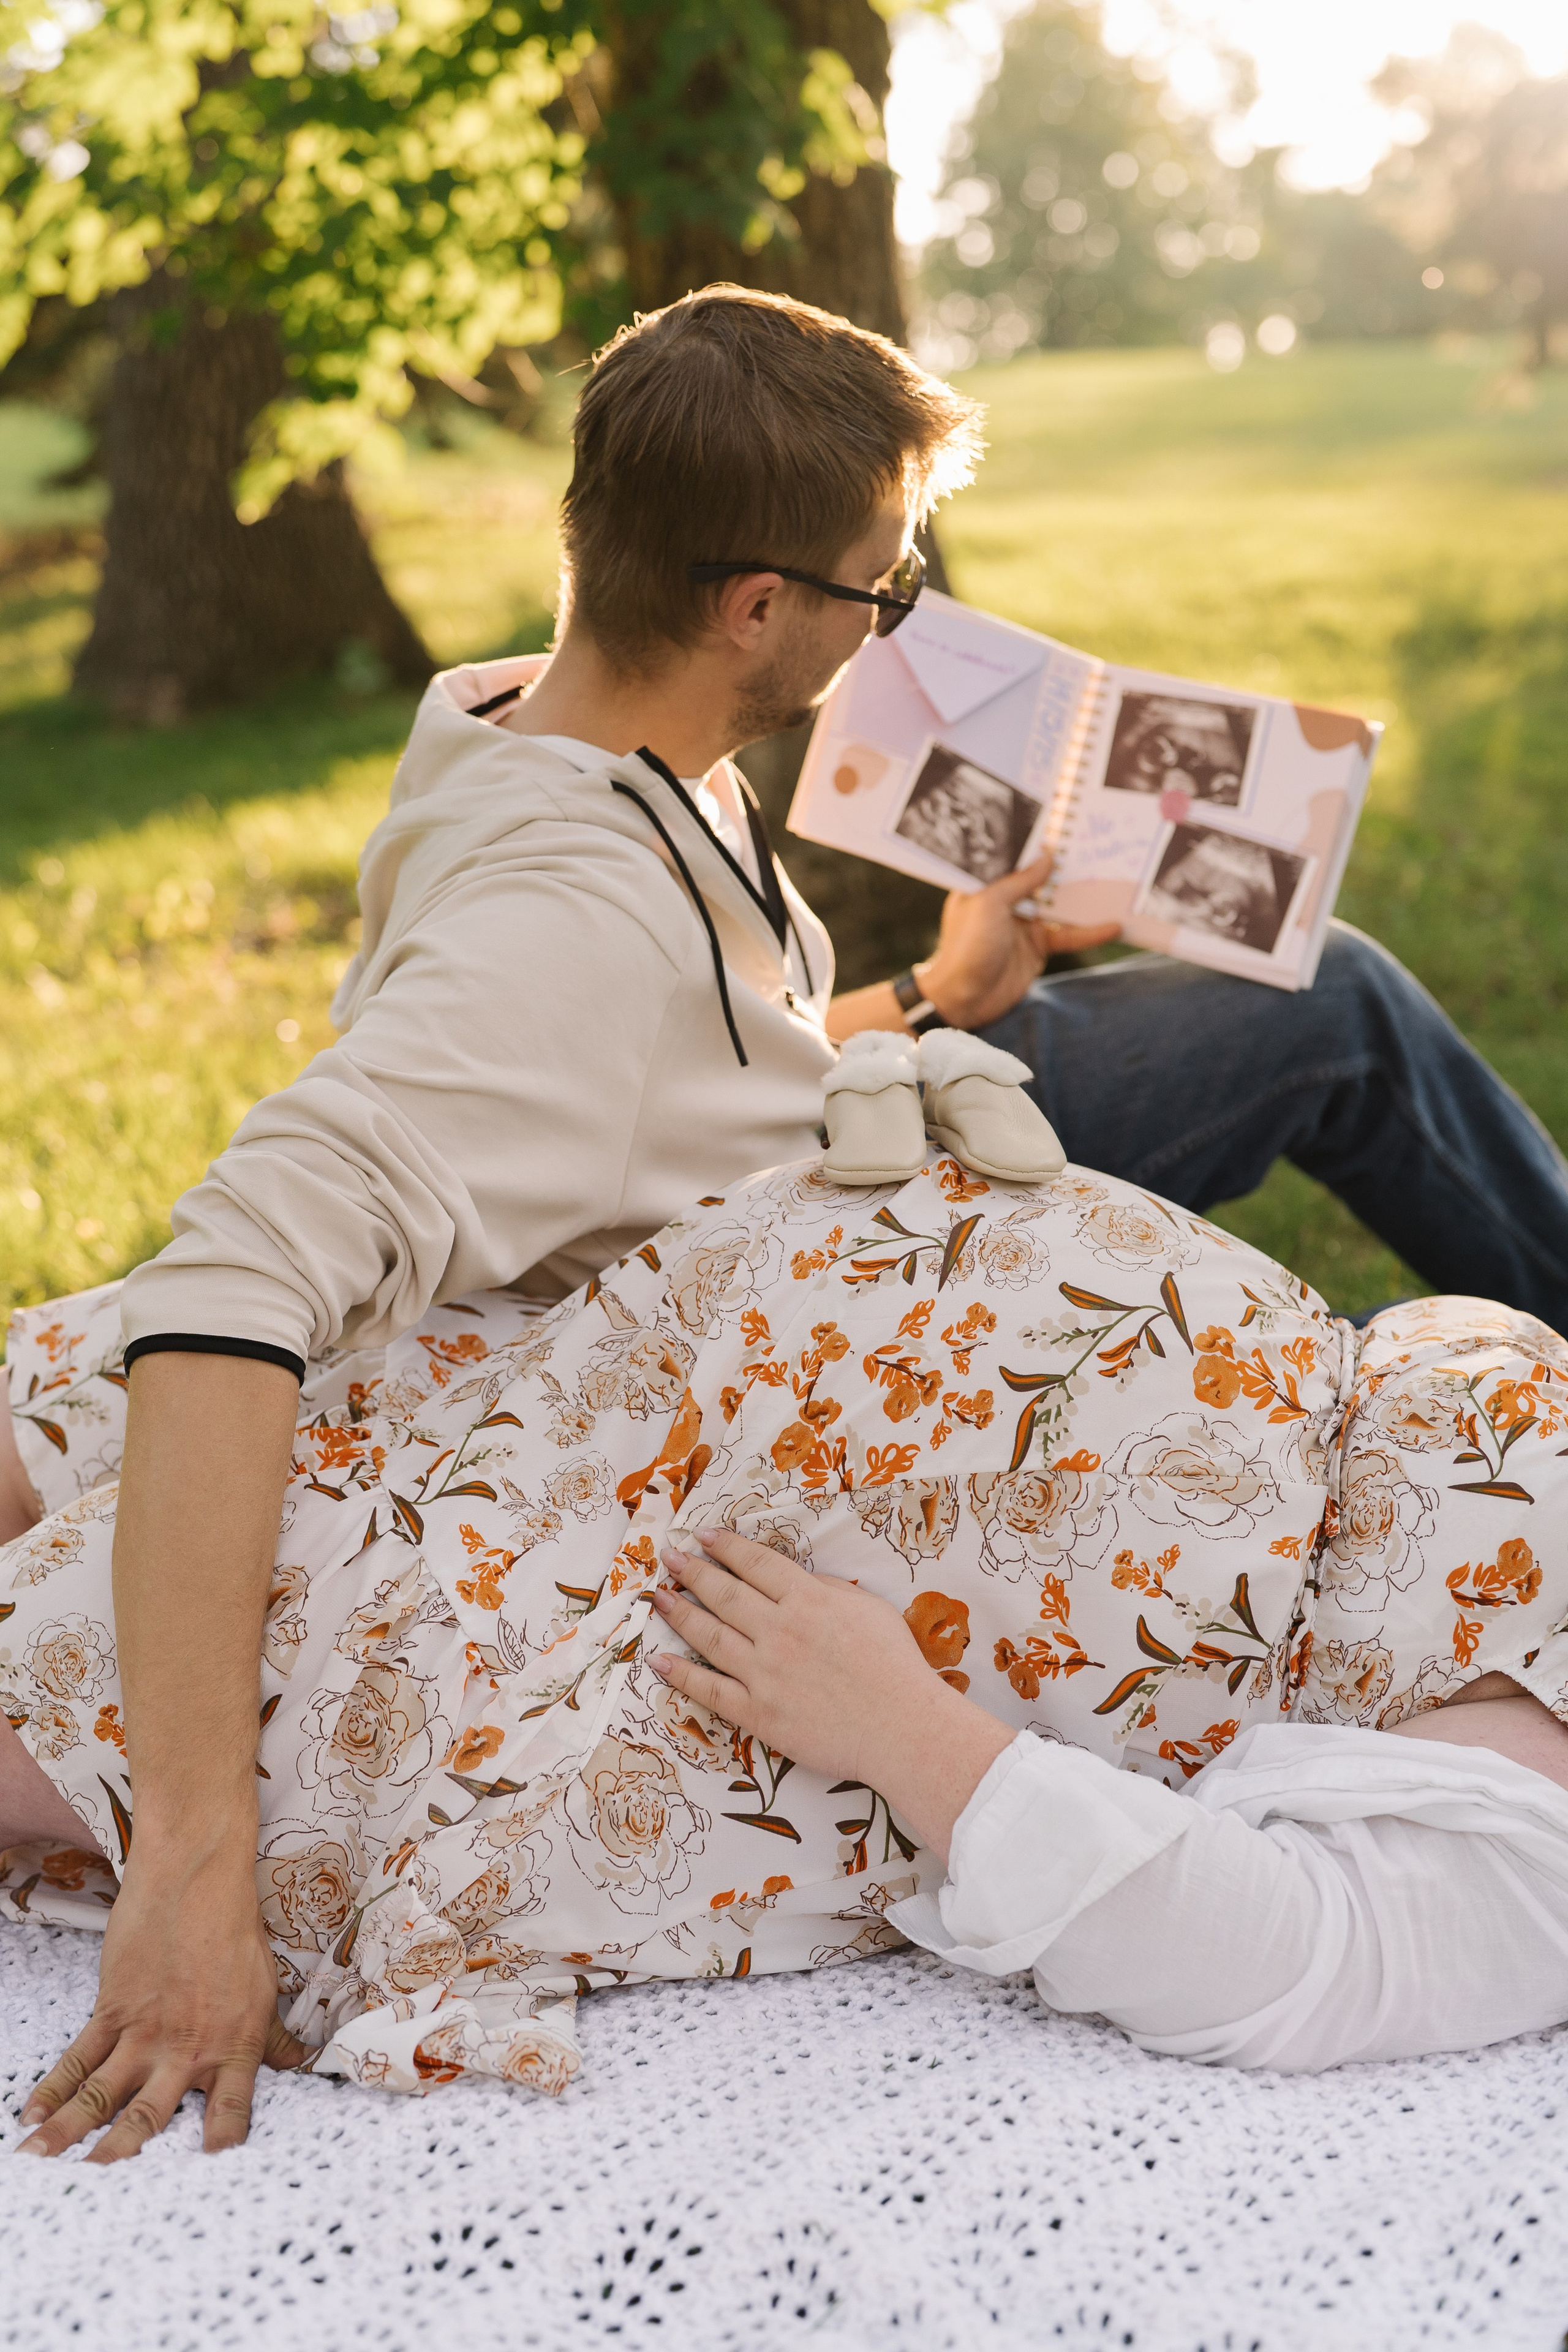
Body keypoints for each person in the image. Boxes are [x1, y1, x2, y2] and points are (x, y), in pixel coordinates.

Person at [3, 280, 1568, 2154]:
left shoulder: (562, 724)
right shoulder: (556, 931)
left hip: (865, 1140)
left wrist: (927, 999)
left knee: (1336, 1003)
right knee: (1343, 1019)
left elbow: (687, 1059)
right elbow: (234, 1285)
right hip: (799, 1268)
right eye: (879, 593)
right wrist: (191, 1867)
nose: (895, 630)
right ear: (758, 607)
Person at [3, 1054, 1567, 2143]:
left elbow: (1289, 1957)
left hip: (732, 1634)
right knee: (139, 1386)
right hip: (661, 1359)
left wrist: (904, 1734)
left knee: (198, 1645)